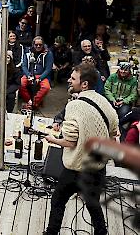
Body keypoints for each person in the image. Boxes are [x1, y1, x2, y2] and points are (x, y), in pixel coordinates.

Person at [44, 64, 119, 235]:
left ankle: (51, 233)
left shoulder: (74, 106)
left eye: (73, 78)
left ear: (84, 84)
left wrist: (53, 139)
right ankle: (101, 232)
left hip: (78, 168)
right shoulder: (104, 101)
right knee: (93, 204)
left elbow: (70, 142)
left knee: (58, 200)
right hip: (98, 168)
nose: (69, 80)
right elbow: (115, 131)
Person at [20, 36, 54, 110]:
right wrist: (28, 75)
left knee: (46, 87)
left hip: (42, 75)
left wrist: (41, 78)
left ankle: (35, 102)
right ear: (33, 44)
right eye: (36, 45)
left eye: (40, 45)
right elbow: (24, 66)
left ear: (43, 44)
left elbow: (48, 69)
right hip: (29, 74)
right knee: (21, 84)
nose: (38, 46)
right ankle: (29, 102)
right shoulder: (28, 52)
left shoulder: (48, 53)